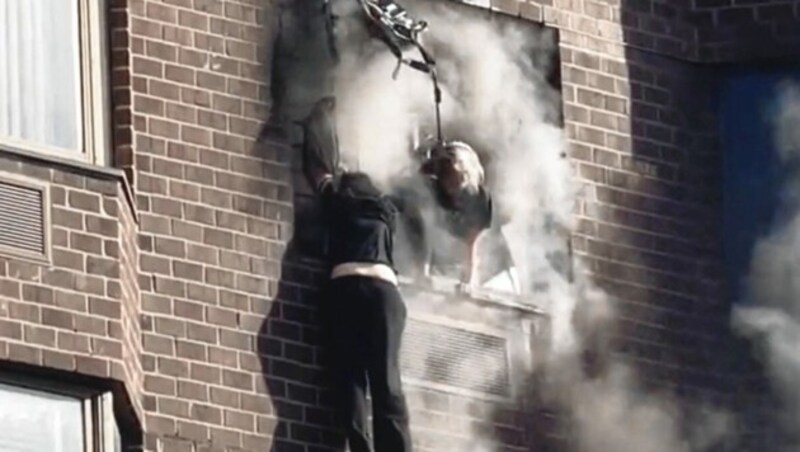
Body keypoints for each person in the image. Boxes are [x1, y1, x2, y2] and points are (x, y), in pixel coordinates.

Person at [299, 96, 414, 452]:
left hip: (345, 287)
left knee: (349, 376)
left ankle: (358, 445)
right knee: (387, 378)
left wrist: (319, 119)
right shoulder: (387, 209)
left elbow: (318, 170)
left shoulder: (337, 197)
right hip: (385, 292)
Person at [417, 140, 496, 288]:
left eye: (457, 181)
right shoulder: (431, 189)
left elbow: (472, 245)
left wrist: (467, 283)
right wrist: (424, 273)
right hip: (435, 235)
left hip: (460, 230)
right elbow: (426, 235)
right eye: (448, 180)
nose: (451, 187)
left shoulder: (480, 198)